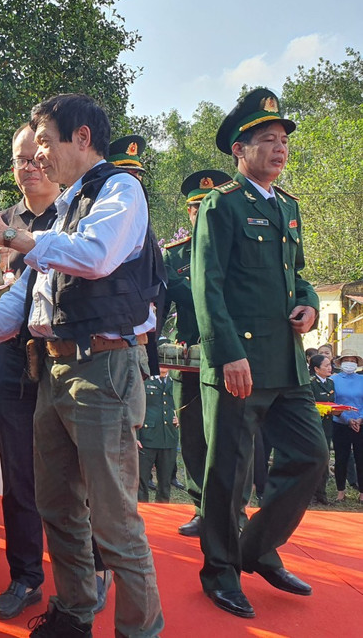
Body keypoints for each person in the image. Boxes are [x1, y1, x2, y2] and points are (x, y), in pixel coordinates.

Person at [0, 93, 165, 637]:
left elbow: (95, 257)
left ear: (82, 138)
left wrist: (8, 235)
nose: (37, 155)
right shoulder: (67, 206)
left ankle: (140, 629)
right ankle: (73, 612)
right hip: (55, 370)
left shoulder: (122, 191)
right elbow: (27, 299)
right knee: (58, 506)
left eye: (45, 141)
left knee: (113, 520)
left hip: (106, 369)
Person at [192, 87, 328, 619]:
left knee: (311, 455)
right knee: (228, 473)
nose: (279, 149)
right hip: (239, 364)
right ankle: (219, 572)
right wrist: (227, 353)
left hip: (288, 362)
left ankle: (254, 549)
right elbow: (208, 286)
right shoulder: (222, 205)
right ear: (240, 151)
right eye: (267, 140)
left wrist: (311, 305)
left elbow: (298, 279)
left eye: (282, 141)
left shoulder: (289, 208)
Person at [0, 124, 59, 621]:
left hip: (63, 362)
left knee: (77, 473)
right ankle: (26, 576)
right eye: (19, 160)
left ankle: (91, 566)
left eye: (35, 158)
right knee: (18, 478)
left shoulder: (77, 211)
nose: (28, 168)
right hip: (10, 359)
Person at [161, 169, 231, 536]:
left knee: (226, 435)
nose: (201, 212)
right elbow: (168, 294)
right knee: (191, 435)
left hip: (227, 358)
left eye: (207, 205)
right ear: (188, 213)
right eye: (194, 207)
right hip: (187, 360)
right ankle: (201, 507)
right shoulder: (174, 256)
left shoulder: (235, 247)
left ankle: (231, 511)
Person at [138, 369, 179, 503]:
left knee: (165, 484)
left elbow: (184, 403)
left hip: (169, 438)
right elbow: (135, 408)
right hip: (146, 438)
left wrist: (180, 417)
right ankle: (142, 516)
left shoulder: (176, 382)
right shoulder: (144, 380)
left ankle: (163, 512)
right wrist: (136, 437)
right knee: (141, 482)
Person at [331, 349, 363, 503]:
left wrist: (359, 419)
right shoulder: (334, 380)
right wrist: (347, 420)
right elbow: (333, 403)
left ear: (357, 363)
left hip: (360, 424)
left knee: (361, 458)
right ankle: (340, 491)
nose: (350, 363)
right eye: (346, 360)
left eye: (353, 360)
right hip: (341, 424)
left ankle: (362, 492)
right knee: (341, 458)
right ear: (341, 363)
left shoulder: (362, 379)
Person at [308, 354, 336, 505]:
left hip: (327, 426)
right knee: (314, 459)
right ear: (316, 369)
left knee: (325, 459)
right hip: (314, 425)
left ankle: (321, 493)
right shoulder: (311, 383)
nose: (329, 368)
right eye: (326, 366)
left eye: (330, 365)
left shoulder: (331, 383)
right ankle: (310, 494)